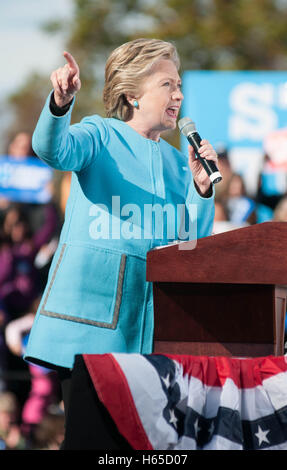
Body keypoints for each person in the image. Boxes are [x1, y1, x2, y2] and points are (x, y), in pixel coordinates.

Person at [24, 39, 217, 427]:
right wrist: (60, 104)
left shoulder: (180, 163)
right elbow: (53, 150)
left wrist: (201, 189)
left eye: (179, 85)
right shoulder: (99, 134)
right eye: (167, 85)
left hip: (151, 336)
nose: (178, 94)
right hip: (89, 329)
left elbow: (192, 243)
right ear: (132, 94)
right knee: (92, 442)